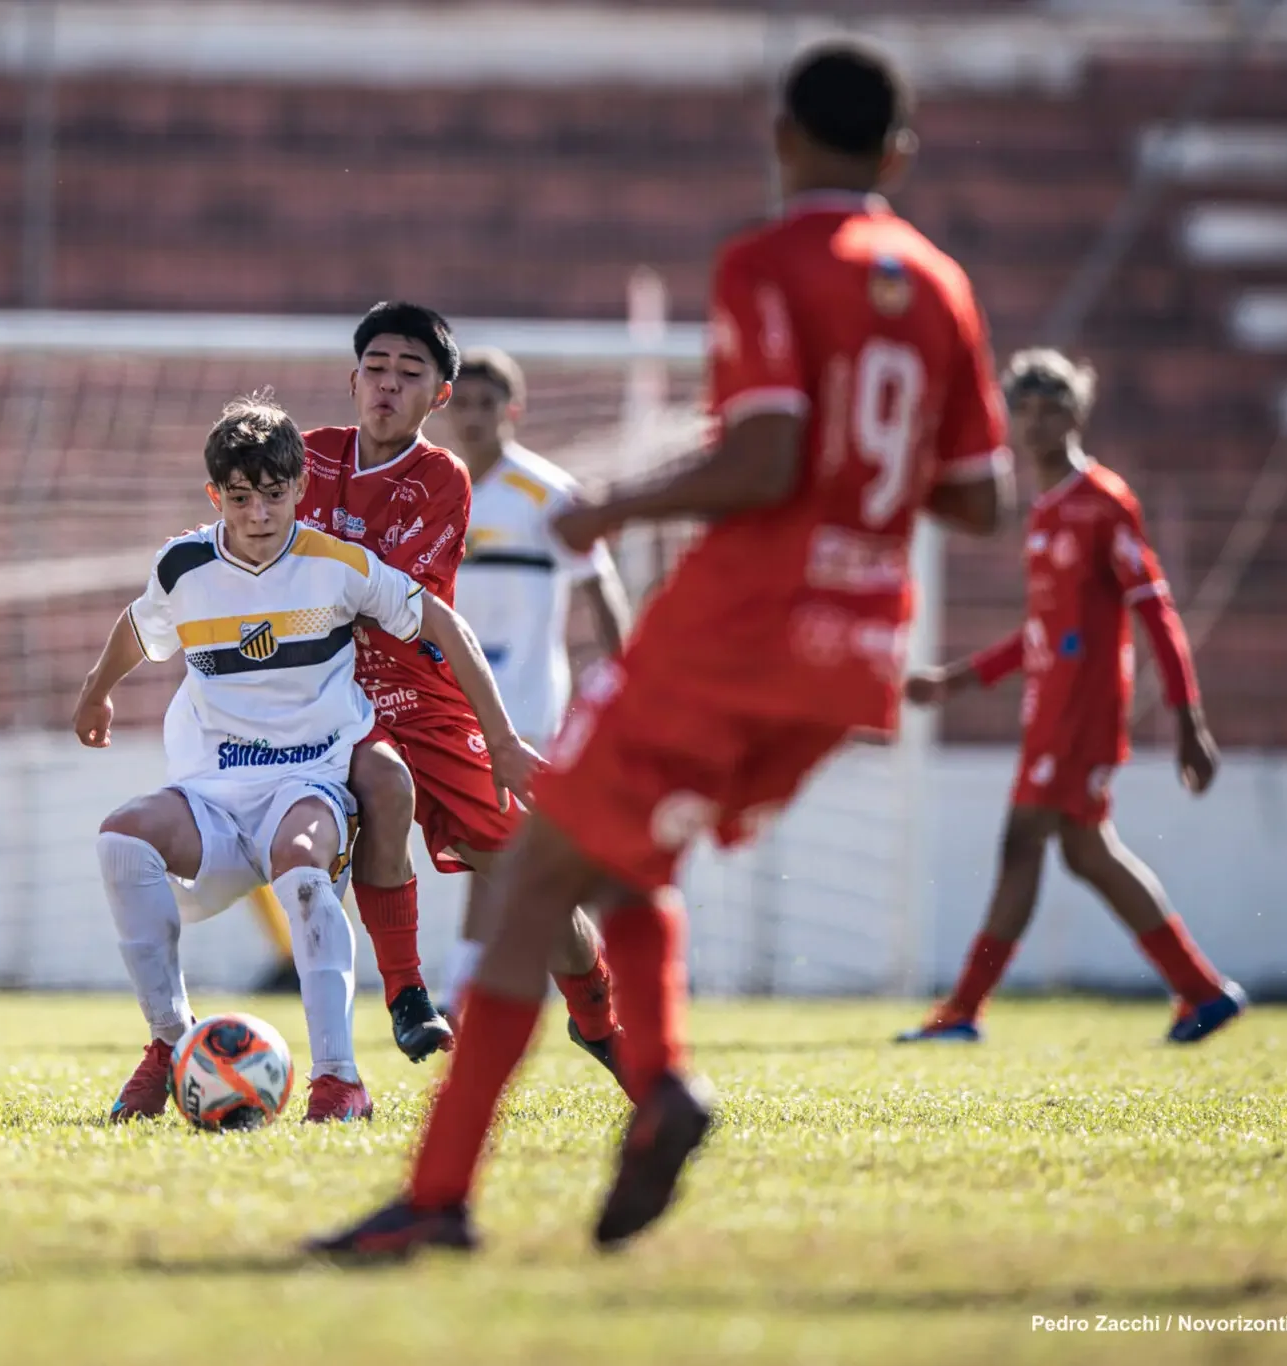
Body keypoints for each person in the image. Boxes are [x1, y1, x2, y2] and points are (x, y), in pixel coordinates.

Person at [311, 39, 1011, 1256]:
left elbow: (767, 458)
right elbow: (978, 497)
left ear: (781, 137)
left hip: (733, 630)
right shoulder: (943, 285)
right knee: (620, 863)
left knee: (528, 884)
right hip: (852, 650)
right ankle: (660, 1079)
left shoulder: (768, 259)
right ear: (899, 155)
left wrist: (614, 506)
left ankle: (441, 1195)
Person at [75, 393, 529, 1123]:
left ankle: (340, 1080)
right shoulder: (184, 566)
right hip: (212, 796)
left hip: (309, 783)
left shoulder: (337, 564)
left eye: (274, 494)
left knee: (305, 870)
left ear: (300, 488)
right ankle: (169, 1043)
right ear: (215, 496)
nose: (259, 514)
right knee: (120, 839)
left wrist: (500, 738)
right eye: (240, 498)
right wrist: (97, 690)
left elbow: (441, 622)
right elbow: (139, 625)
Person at [298, 303, 625, 1076]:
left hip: (426, 702)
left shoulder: (443, 479)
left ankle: (599, 1018)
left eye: (409, 373)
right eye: (375, 368)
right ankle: (401, 1003)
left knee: (528, 880)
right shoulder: (302, 457)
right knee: (357, 809)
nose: (388, 385)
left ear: (437, 396)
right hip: (318, 702)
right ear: (352, 379)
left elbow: (383, 598)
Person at [898, 349, 1244, 1045]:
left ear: (1076, 415)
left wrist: (1188, 720)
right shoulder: (1046, 512)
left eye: (1050, 408)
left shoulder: (1103, 503)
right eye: (1023, 409)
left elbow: (1156, 610)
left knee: (1022, 840)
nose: (1035, 422)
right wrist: (954, 679)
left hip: (1083, 711)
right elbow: (1041, 631)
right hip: (1052, 708)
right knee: (1086, 852)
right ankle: (1202, 991)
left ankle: (963, 1010)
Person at [431, 346, 634, 1020]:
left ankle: (469, 990)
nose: (474, 417)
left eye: (488, 404)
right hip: (449, 693)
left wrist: (629, 681)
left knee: (499, 837)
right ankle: (528, 981)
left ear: (511, 411)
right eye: (463, 403)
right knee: (491, 844)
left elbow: (600, 586)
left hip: (525, 697)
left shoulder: (546, 492)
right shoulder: (434, 490)